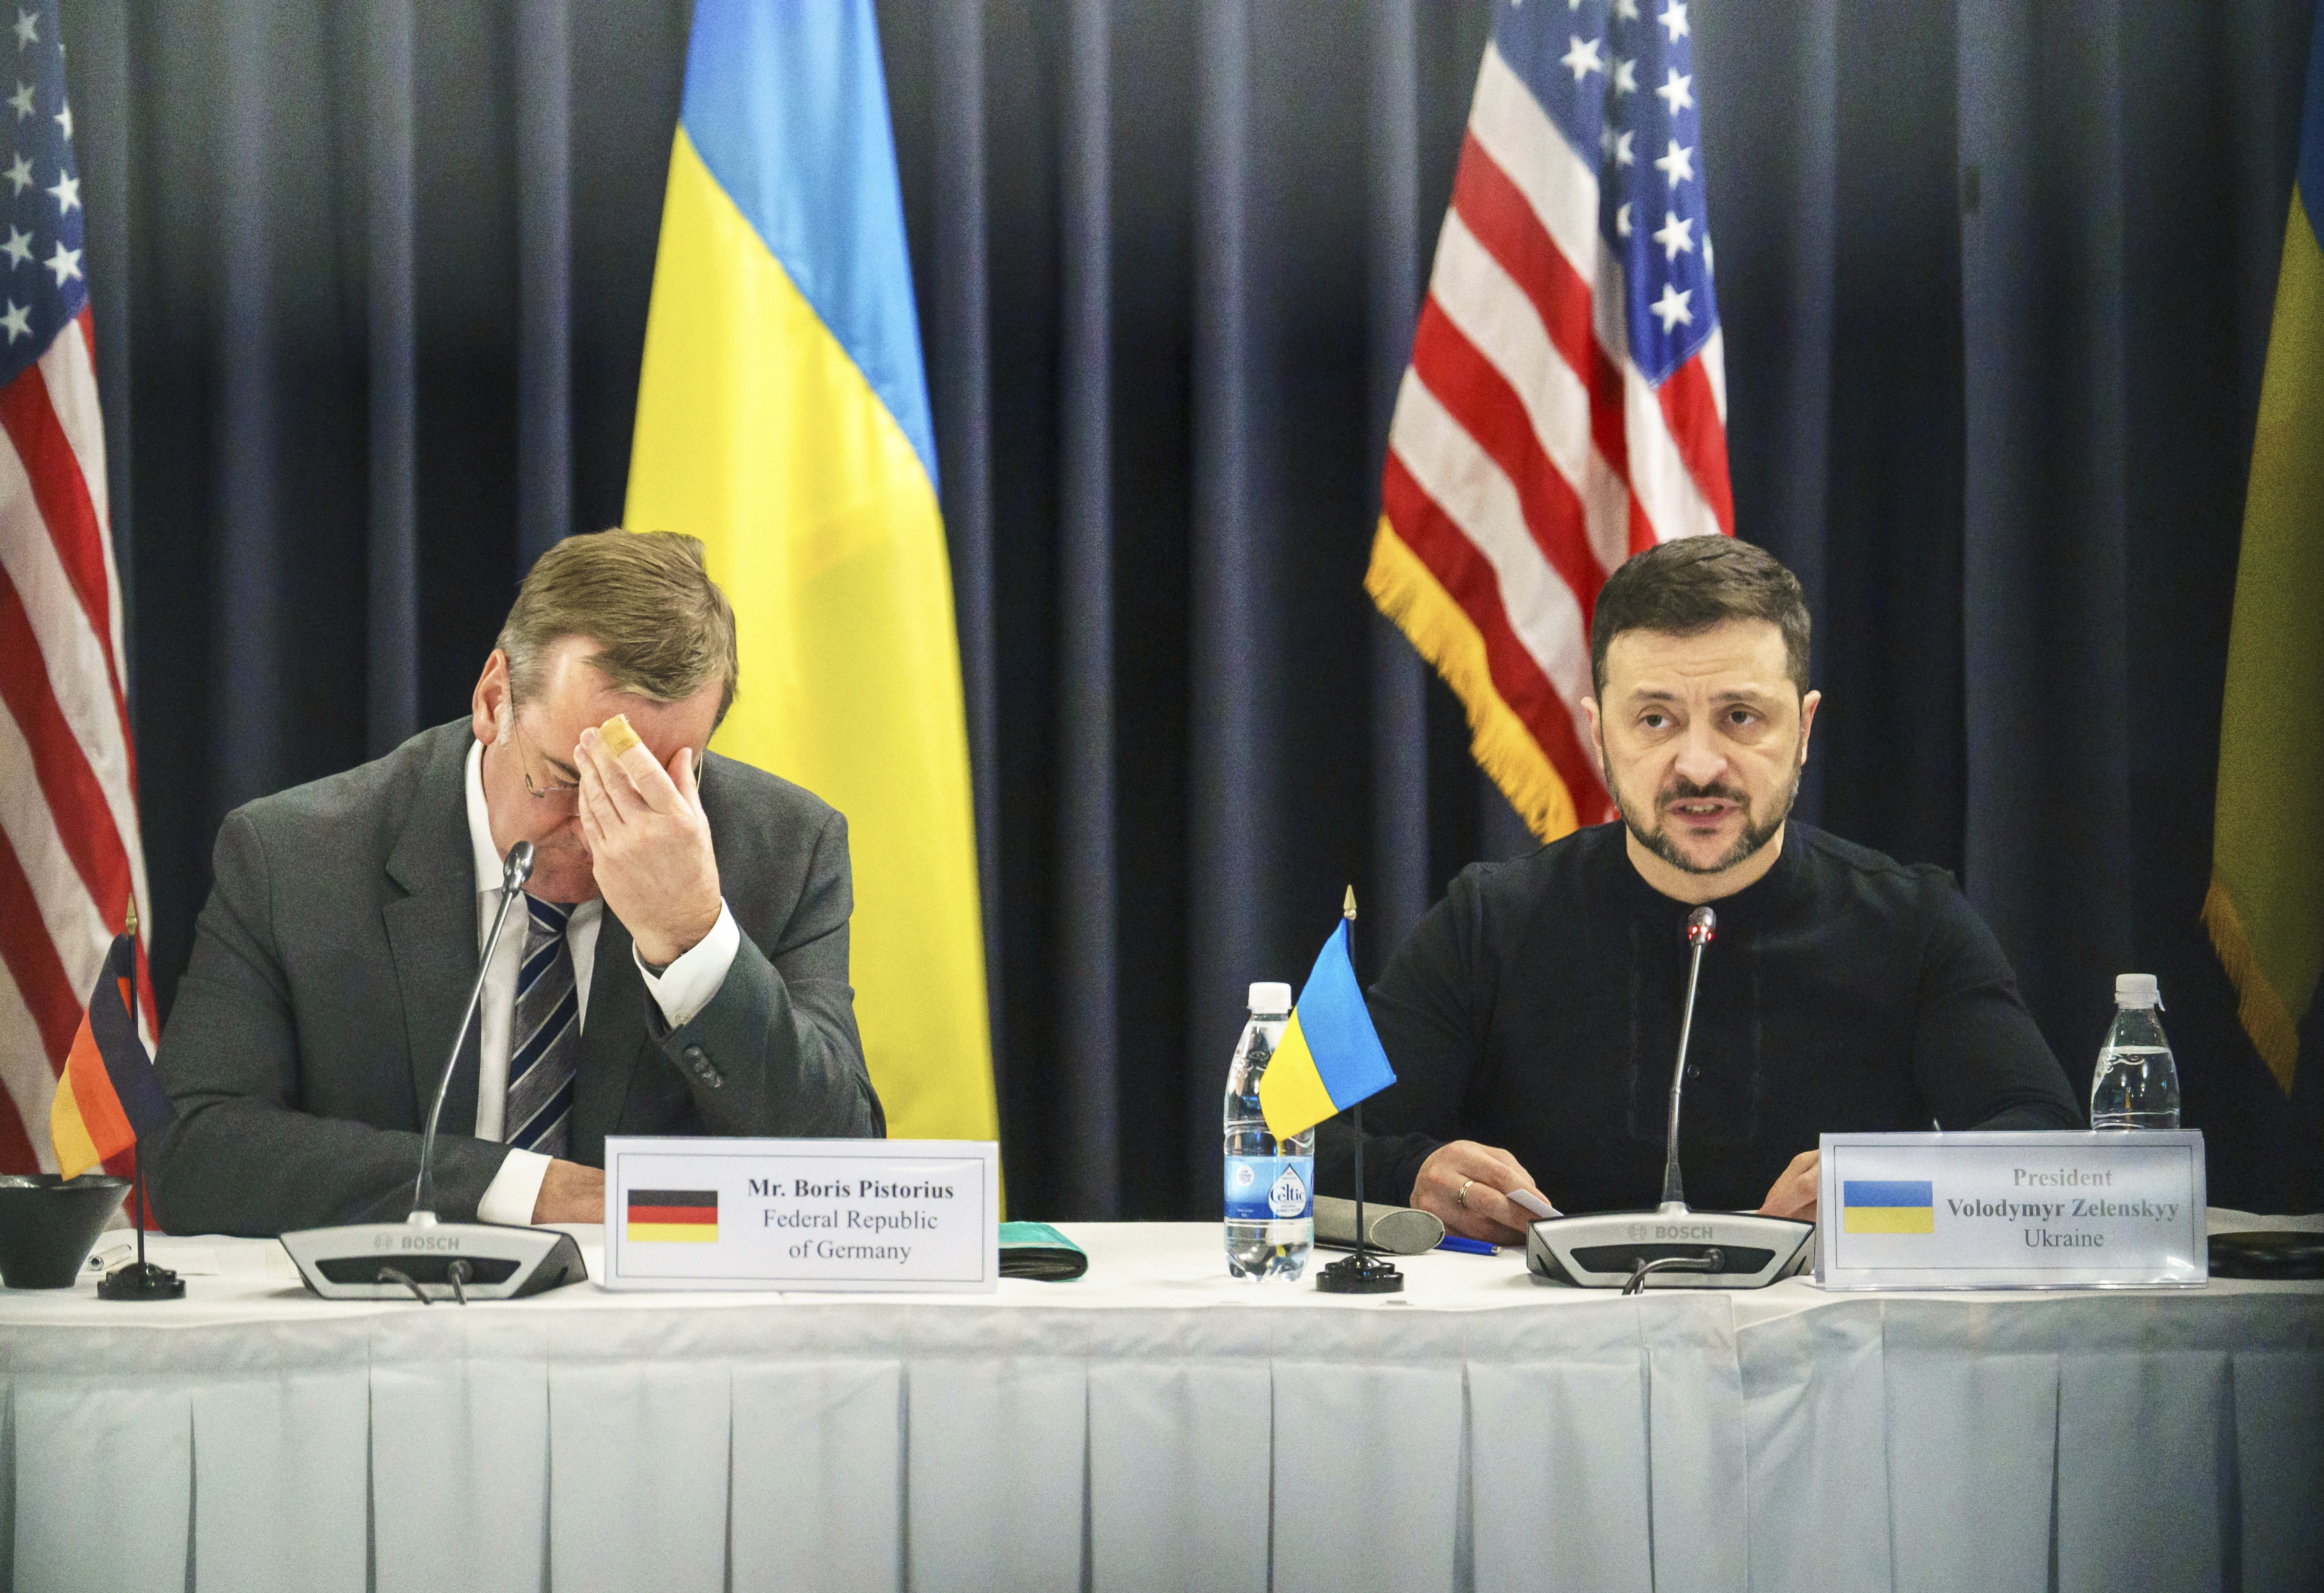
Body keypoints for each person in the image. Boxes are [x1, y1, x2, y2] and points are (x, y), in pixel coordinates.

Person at [1326, 537, 2079, 1245]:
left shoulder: (1915, 922)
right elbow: (1295, 1135)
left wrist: (1878, 1192)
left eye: (1740, 717)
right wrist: (1413, 1176)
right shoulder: (1487, 921)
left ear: (1806, 728)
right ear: (1599, 734)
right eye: (1655, 719)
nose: (1699, 766)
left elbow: (2050, 1151)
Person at [149, 530, 881, 1236]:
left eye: (654, 788)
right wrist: (521, 1188)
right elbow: (192, 1153)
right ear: (495, 700)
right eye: (568, 778)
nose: (606, 831)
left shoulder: (786, 854)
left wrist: (692, 942)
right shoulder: (296, 858)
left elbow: (841, 1179)